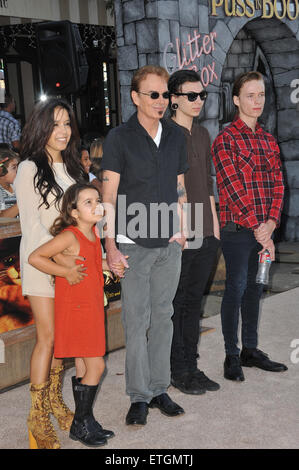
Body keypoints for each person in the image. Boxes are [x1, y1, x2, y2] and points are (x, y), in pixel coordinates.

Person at [101, 65, 188, 426]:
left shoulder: (176, 135)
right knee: (137, 322)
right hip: (132, 244)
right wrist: (110, 247)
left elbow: (180, 186)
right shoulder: (119, 138)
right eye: (153, 94)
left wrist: (184, 230)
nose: (161, 100)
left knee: (164, 317)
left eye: (165, 94)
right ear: (135, 97)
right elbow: (108, 195)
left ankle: (158, 388)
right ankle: (138, 396)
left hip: (169, 242)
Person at [14, 98, 87, 449]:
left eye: (67, 124)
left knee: (64, 339)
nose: (63, 131)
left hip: (72, 266)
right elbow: (32, 228)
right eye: (56, 124)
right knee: (48, 337)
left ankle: (56, 401)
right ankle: (37, 416)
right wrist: (62, 261)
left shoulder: (74, 168)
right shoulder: (29, 168)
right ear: (42, 128)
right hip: (42, 264)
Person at [211, 71, 287, 382]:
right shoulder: (225, 140)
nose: (257, 102)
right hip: (238, 231)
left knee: (257, 288)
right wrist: (259, 227)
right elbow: (232, 188)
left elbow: (278, 186)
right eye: (250, 96)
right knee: (237, 287)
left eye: (261, 96)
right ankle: (231, 354)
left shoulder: (269, 140)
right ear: (236, 100)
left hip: (262, 230)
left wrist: (270, 224)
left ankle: (250, 350)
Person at [28, 182, 115, 448]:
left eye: (97, 200)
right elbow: (35, 257)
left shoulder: (93, 235)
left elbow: (88, 263)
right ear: (74, 212)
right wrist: (64, 272)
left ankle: (84, 422)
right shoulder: (70, 235)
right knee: (97, 366)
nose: (96, 205)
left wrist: (110, 264)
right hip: (76, 311)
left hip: (90, 307)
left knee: (84, 365)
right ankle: (80, 422)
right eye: (87, 202)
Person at [168, 70, 220, 395]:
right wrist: (184, 228)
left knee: (196, 302)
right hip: (180, 233)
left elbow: (208, 183)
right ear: (174, 99)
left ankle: (193, 366)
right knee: (180, 302)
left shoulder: (203, 135)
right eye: (191, 95)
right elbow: (176, 186)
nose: (198, 100)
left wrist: (214, 228)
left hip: (206, 230)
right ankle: (178, 370)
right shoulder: (166, 134)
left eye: (201, 95)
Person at [0, 147, 19, 218]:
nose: (18, 170)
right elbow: (1, 217)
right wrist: (24, 201)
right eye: (14, 167)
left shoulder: (18, 186)